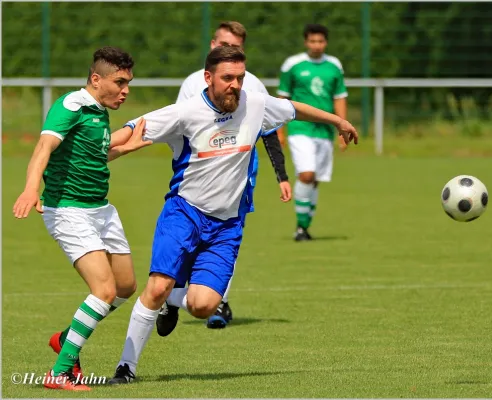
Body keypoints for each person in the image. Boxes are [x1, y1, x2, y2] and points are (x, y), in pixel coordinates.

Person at [107, 46, 357, 385]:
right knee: (157, 286)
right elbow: (134, 129)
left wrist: (338, 120)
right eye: (227, 78)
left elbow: (295, 109)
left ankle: (173, 301)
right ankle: (126, 367)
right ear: (208, 78)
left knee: (203, 306)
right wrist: (98, 152)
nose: (235, 85)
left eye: (239, 77)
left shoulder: (255, 103)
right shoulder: (186, 112)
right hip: (183, 212)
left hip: (227, 226)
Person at [12, 47, 151, 391]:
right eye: (119, 82)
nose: (126, 90)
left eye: (128, 82)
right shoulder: (71, 105)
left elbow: (95, 154)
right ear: (95, 79)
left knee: (125, 287)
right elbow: (43, 148)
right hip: (69, 211)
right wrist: (31, 189)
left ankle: (67, 338)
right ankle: (58, 374)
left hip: (102, 210)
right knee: (102, 290)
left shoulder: (99, 110)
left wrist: (130, 145)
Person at [157, 21, 290, 332]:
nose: (228, 51)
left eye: (237, 47)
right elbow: (177, 128)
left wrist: (281, 175)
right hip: (199, 176)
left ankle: (219, 301)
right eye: (223, 44)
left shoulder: (253, 85)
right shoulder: (192, 83)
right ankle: (173, 299)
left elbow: (268, 130)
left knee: (227, 233)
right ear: (212, 45)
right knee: (188, 239)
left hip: (241, 173)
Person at [276, 23, 349, 241]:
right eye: (312, 41)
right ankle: (300, 228)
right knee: (306, 174)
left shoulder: (334, 66)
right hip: (300, 126)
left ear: (326, 42)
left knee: (315, 179)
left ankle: (305, 226)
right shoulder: (293, 65)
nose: (316, 45)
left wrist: (341, 127)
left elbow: (339, 97)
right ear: (306, 42)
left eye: (320, 41)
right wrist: (279, 129)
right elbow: (282, 98)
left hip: (324, 130)